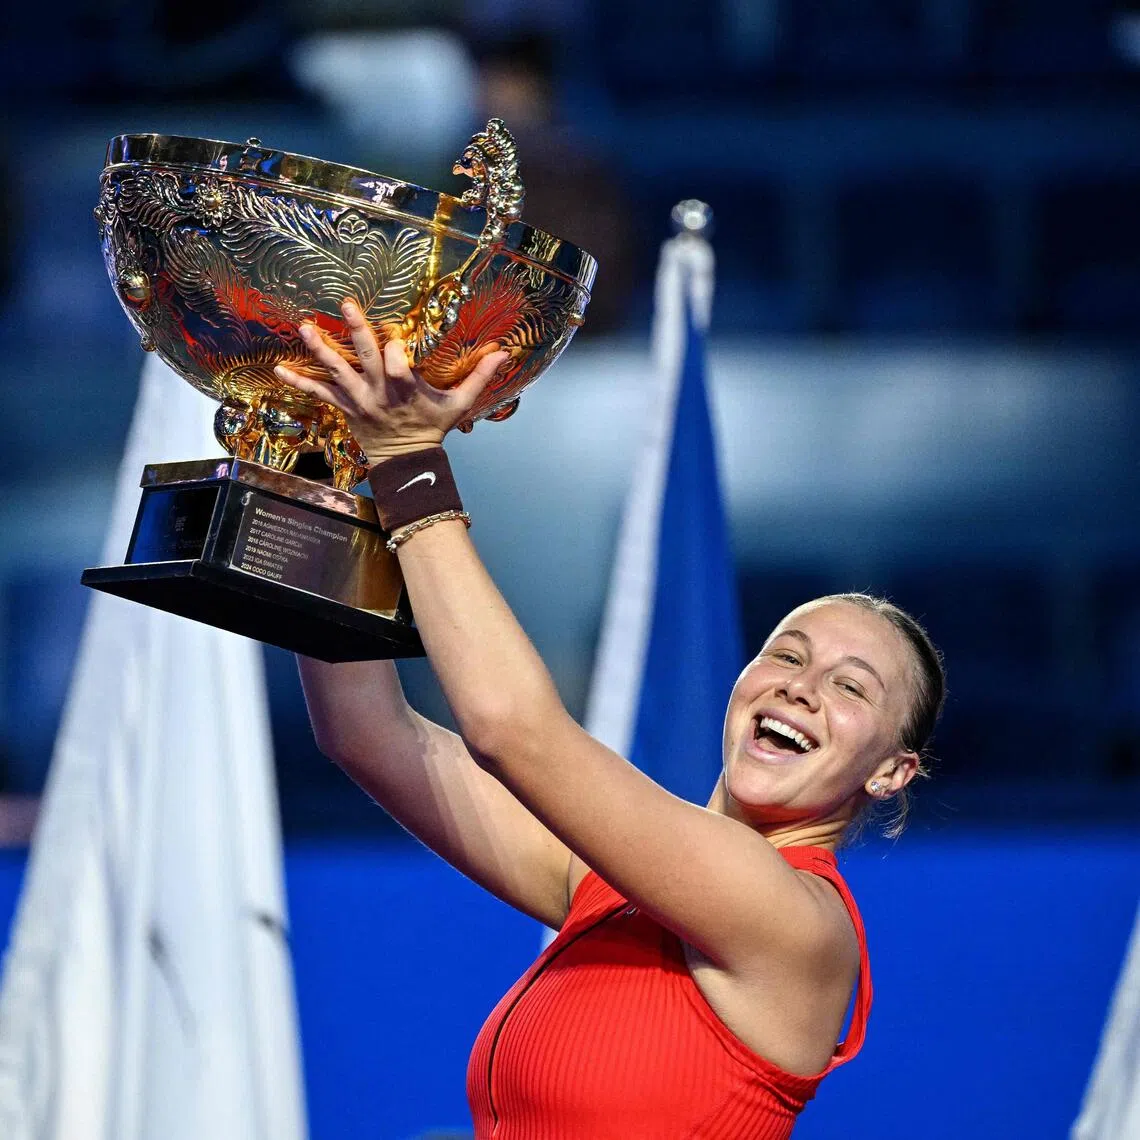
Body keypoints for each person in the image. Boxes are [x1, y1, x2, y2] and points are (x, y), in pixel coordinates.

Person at [276, 302, 946, 1139]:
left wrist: (408, 463)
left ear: (891, 771)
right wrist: (324, 473)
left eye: (852, 689)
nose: (801, 688)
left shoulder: (795, 923)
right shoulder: (602, 888)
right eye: (786, 654)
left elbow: (509, 730)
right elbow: (367, 734)